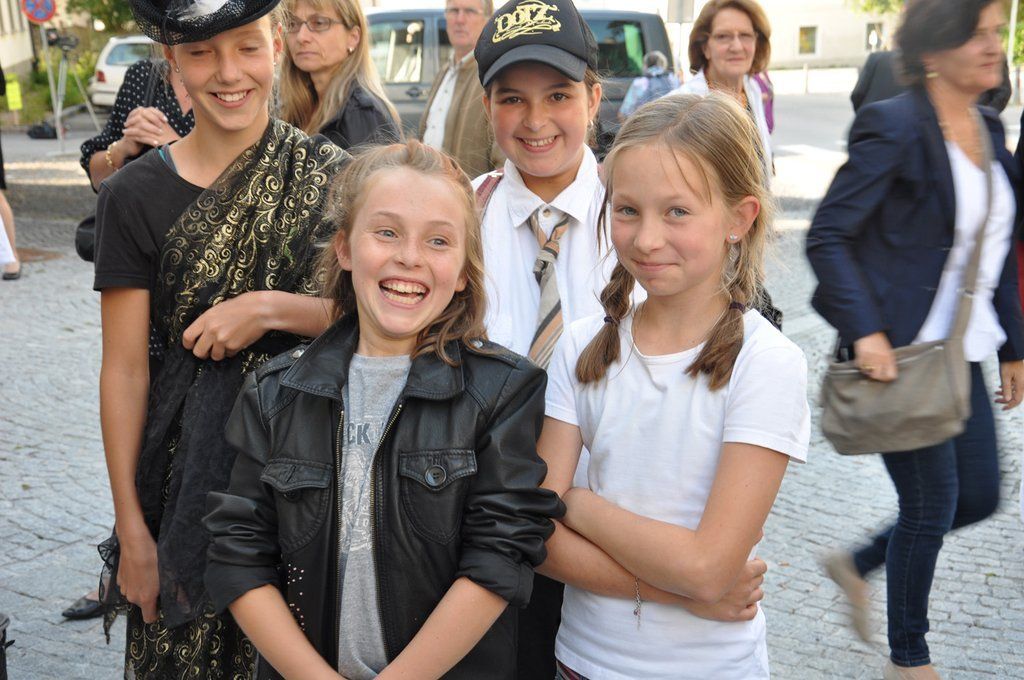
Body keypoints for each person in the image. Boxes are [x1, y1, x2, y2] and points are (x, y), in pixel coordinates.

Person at [471, 3, 769, 677]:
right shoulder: (461, 217)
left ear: (594, 97)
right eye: (512, 98)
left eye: (558, 95)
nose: (536, 120)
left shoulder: (649, 216)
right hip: (484, 541)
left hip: (619, 551)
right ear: (487, 106)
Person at [203, 140, 562, 680]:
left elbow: (499, 557)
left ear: (463, 271)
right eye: (387, 232)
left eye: (438, 240)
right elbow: (239, 555)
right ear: (345, 249)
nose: (410, 257)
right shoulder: (275, 393)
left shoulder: (503, 392)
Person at [93, 0, 349, 676]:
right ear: (172, 63)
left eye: (246, 47)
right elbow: (124, 371)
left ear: (278, 45)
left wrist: (269, 310)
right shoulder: (131, 197)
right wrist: (132, 530)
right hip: (181, 490)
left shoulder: (332, 177)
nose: (228, 73)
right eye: (201, 53)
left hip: (308, 481)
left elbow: (374, 319)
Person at [536, 92, 809, 680]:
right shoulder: (581, 345)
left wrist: (577, 502)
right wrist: (675, 590)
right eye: (628, 210)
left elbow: (709, 569)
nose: (646, 239)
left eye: (677, 212)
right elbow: (534, 534)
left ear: (739, 219)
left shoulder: (765, 363)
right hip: (581, 661)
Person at [807, 2, 1024, 678]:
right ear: (932, 51)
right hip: (902, 354)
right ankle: (909, 660)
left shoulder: (989, 127)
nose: (993, 46)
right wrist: (867, 332)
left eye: (996, 33)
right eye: (976, 34)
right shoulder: (894, 125)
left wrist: (1013, 346)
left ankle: (858, 562)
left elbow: (996, 249)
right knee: (930, 504)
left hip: (959, 353)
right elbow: (829, 235)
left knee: (980, 495)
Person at [279, 0, 400, 149]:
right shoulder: (298, 107)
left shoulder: (362, 113)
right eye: (293, 24)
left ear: (353, 37)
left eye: (319, 23)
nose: (301, 37)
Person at [672, 0, 773, 176]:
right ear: (705, 47)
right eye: (723, 36)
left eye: (745, 35)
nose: (737, 47)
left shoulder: (752, 90)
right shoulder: (679, 105)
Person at [80, 57, 194, 192]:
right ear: (166, 49)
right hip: (136, 204)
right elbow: (98, 180)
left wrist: (174, 147)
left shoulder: (216, 84)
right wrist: (122, 148)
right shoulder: (143, 75)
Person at [419, 0, 501, 179]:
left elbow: (504, 163)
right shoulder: (445, 72)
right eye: (453, 11)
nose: (460, 19)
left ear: (488, 19)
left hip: (470, 195)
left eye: (469, 11)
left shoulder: (492, 76)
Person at [617, 50, 679, 121]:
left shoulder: (640, 82)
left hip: (646, 124)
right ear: (663, 64)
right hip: (671, 123)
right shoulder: (673, 79)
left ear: (645, 65)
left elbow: (624, 112)